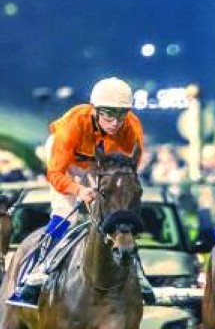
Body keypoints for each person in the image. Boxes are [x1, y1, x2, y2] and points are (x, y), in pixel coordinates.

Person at [8, 77, 145, 306]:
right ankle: (35, 274)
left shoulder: (132, 128)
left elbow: (128, 172)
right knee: (65, 216)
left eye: (121, 115)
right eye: (108, 115)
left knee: (115, 214)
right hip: (66, 164)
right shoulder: (72, 125)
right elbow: (55, 174)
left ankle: (138, 274)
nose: (115, 122)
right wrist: (79, 190)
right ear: (95, 110)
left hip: (99, 165)